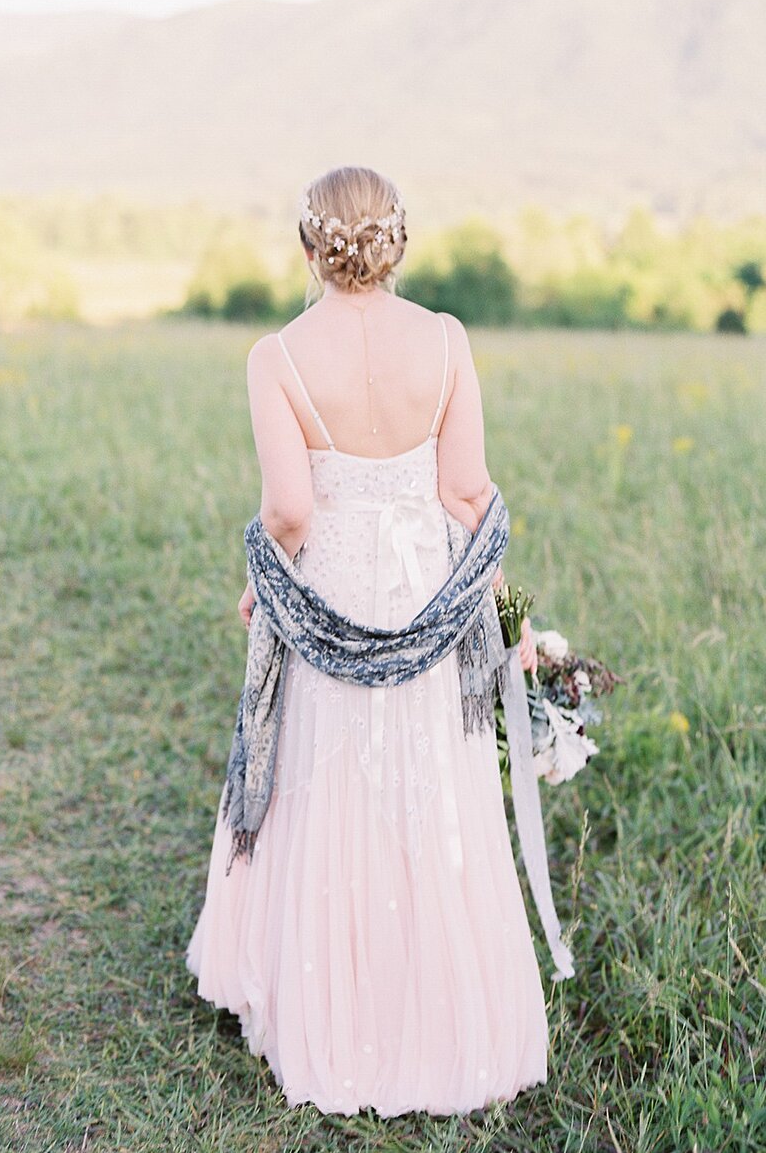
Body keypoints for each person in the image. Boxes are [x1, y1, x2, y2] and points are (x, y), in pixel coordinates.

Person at [185, 165, 547, 1118]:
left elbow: (292, 510)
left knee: (332, 781)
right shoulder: (446, 339)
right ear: (398, 243)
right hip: (430, 594)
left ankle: (339, 1017)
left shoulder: (278, 356)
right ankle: (443, 1022)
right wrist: (505, 617)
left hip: (333, 599)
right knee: (432, 784)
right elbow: (468, 492)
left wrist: (262, 586)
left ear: (310, 247)